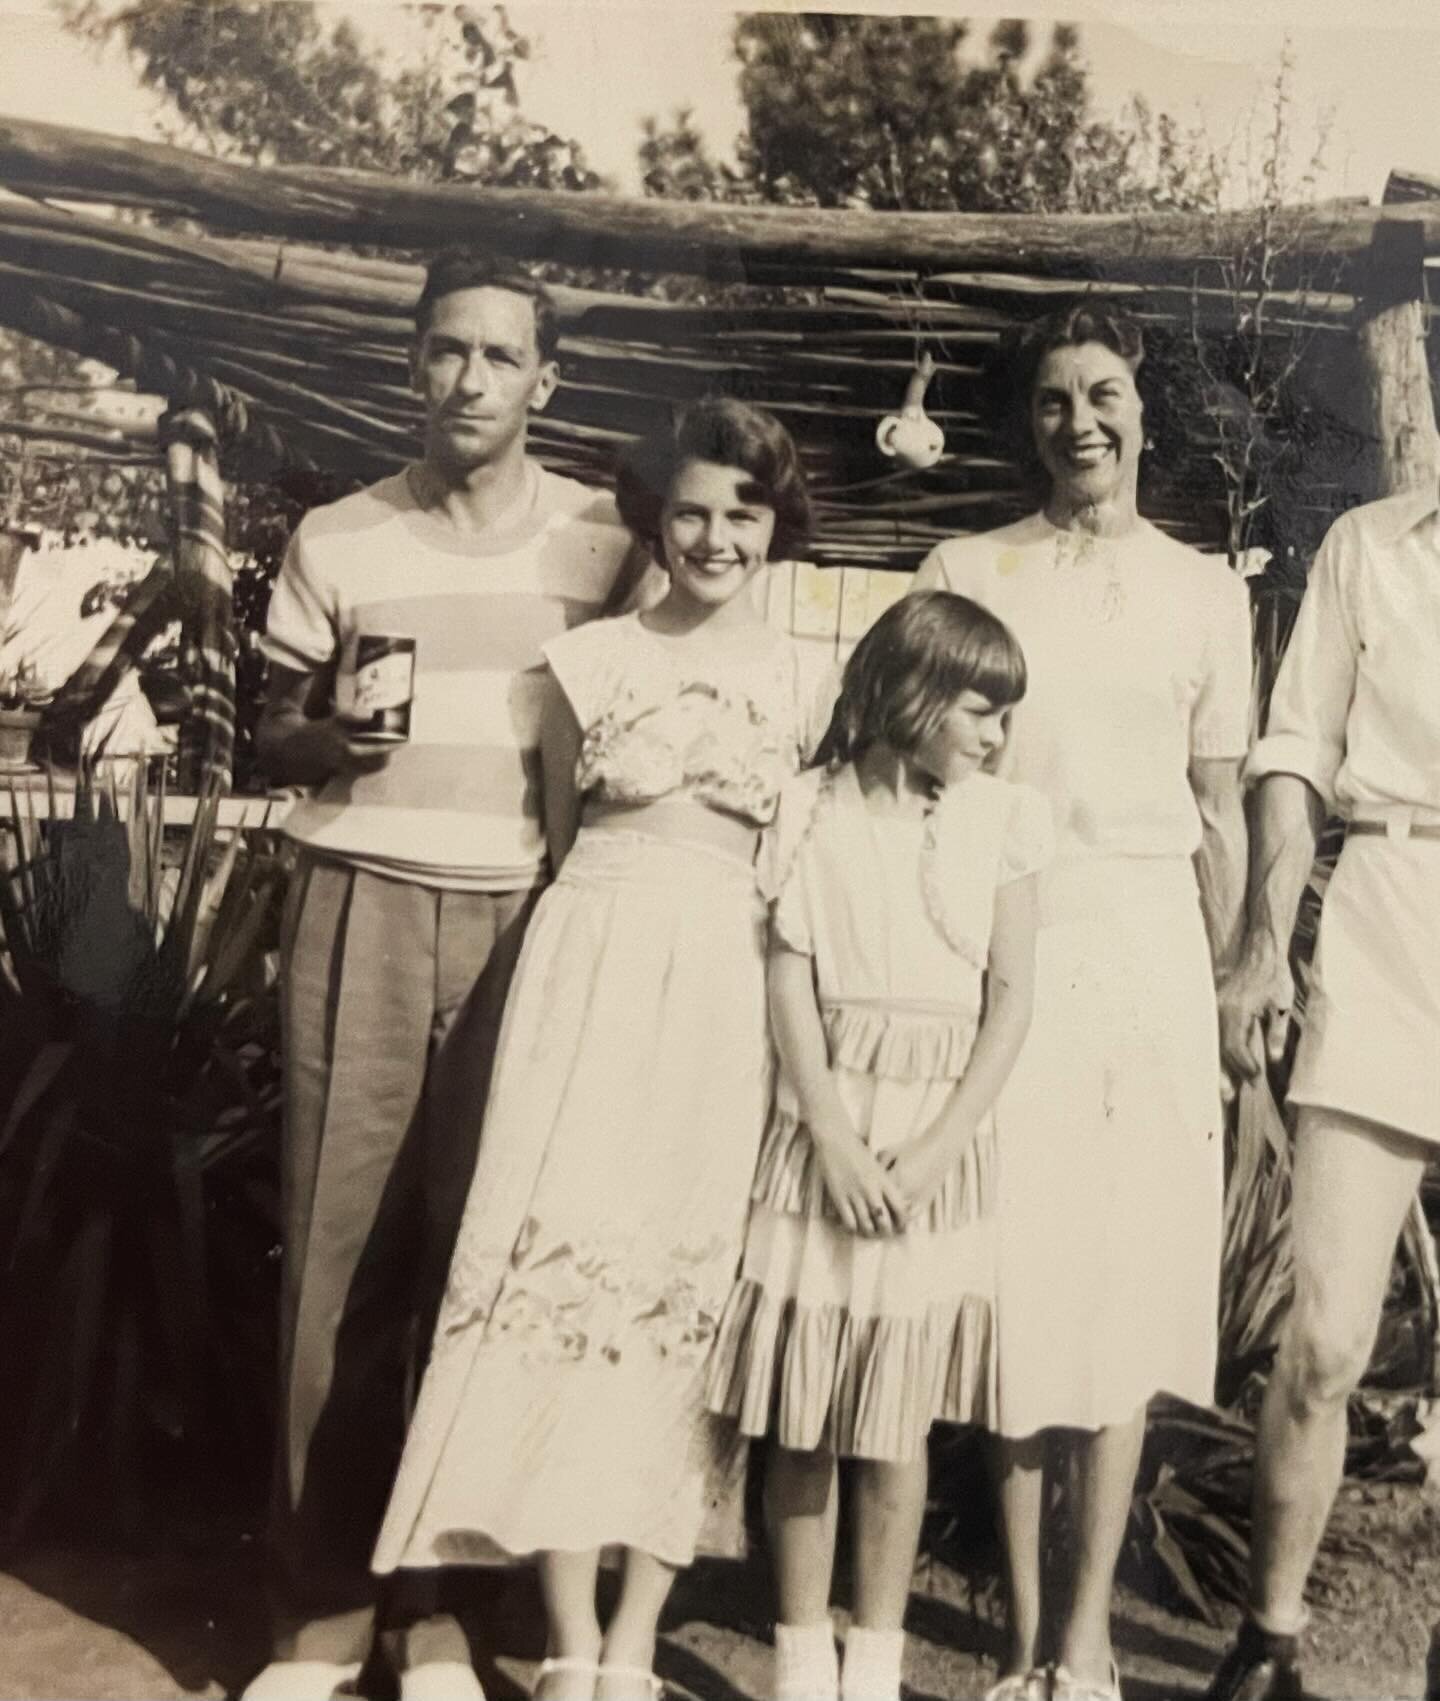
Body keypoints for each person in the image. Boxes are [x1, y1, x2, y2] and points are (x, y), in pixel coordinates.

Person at [371, 398, 833, 1701]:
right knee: (557, 1286)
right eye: (691, 508)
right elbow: (570, 838)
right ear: (655, 517)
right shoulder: (593, 666)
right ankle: (570, 1640)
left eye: (744, 511)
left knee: (677, 1295)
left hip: (726, 988)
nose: (716, 534)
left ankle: (636, 1644)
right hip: (591, 972)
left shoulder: (809, 678)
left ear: (775, 525)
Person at [244, 249, 648, 1701]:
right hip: (358, 900)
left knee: (483, 1275)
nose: (468, 380)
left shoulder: (603, 547)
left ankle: (442, 1614)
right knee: (336, 1265)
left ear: (547, 380)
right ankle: (322, 1615)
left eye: (498, 356)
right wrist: (317, 745)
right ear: (413, 366)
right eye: (444, 353)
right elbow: (263, 728)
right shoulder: (340, 535)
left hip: (522, 923)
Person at [914, 302, 1253, 1701]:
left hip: (1153, 954)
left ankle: (1088, 1638)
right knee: (1020, 1280)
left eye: (1104, 394)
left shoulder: (1206, 593)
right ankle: (1013, 1639)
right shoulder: (966, 567)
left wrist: (1234, 987)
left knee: (1125, 1288)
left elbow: (1222, 808)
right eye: (1053, 401)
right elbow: (926, 785)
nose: (1081, 423)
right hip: (1006, 945)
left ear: (1143, 414)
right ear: (1028, 424)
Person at [705, 591, 1051, 1701]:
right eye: (981, 710)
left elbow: (1010, 1003)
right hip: (829, 1135)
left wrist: (942, 1148)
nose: (998, 736)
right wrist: (832, 1140)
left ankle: (877, 1660)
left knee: (894, 1415)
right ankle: (804, 1658)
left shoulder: (1005, 820)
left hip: (935, 1139)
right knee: (805, 1414)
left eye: (1006, 715)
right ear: (913, 691)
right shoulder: (806, 810)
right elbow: (789, 978)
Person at [1204, 479, 1440, 1701]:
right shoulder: (1368, 544)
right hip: (1391, 920)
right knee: (1330, 1337)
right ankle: (1271, 1642)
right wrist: (1261, 947)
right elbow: (1294, 751)